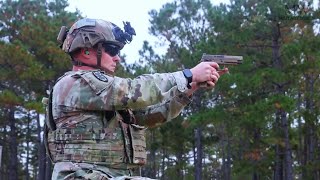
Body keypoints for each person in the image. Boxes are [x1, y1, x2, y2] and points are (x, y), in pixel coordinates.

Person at [43, 18, 228, 180]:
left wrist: (191, 87)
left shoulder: (104, 95)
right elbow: (135, 91)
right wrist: (188, 75)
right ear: (86, 51)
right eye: (111, 49)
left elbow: (149, 116)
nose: (118, 58)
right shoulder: (75, 84)